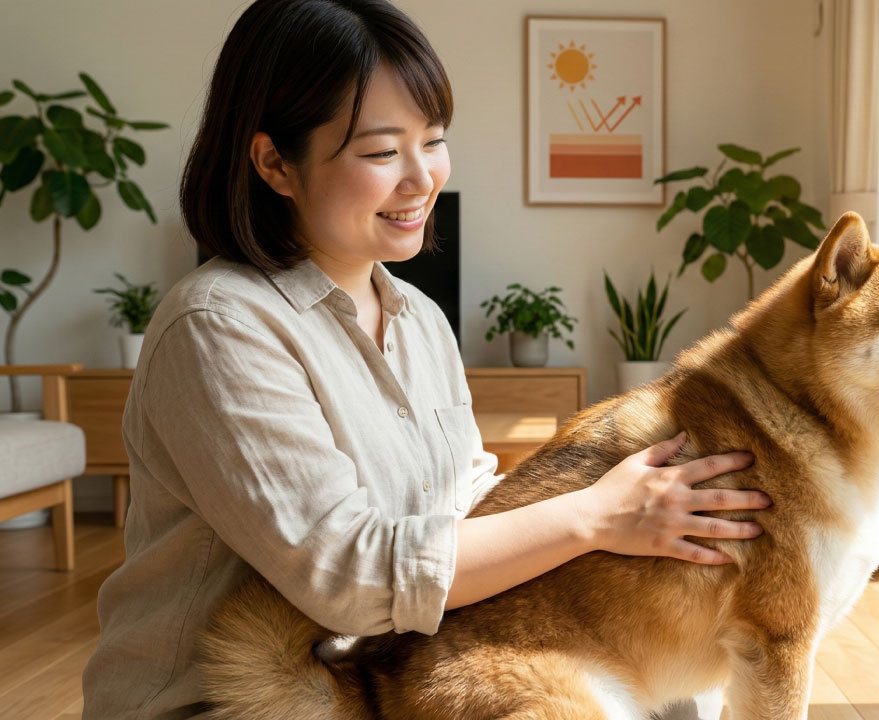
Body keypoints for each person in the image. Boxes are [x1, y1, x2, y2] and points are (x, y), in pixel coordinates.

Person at [80, 1, 769, 717]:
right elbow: (347, 576)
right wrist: (595, 515)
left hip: (391, 684)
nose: (422, 178)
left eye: (433, 141)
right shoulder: (218, 325)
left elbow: (470, 503)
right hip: (240, 700)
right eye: (381, 152)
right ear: (274, 162)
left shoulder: (420, 320)